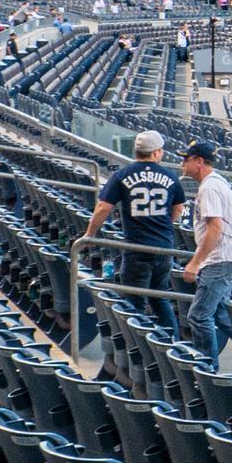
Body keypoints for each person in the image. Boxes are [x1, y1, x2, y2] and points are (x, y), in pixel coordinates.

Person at [83, 129, 189, 329]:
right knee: (160, 298)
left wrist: (89, 234)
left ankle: (138, 346)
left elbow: (103, 207)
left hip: (136, 247)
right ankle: (171, 343)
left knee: (134, 302)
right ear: (156, 152)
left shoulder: (122, 175)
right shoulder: (170, 176)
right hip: (164, 246)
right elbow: (178, 209)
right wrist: (164, 223)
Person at [177, 141, 232, 372]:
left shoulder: (209, 187)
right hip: (227, 257)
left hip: (221, 259)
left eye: (186, 159)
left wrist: (195, 262)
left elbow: (215, 228)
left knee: (199, 315)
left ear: (199, 162)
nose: (183, 164)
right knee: (220, 313)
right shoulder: (216, 183)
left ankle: (207, 369)